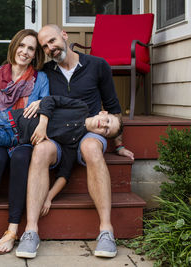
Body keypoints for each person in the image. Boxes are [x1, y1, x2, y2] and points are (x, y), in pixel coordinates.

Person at [15, 24, 134, 259]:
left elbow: (113, 109)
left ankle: (106, 230)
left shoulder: (97, 65)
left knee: (91, 147)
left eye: (52, 41)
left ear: (64, 35)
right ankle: (30, 231)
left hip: (88, 130)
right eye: (45, 46)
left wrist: (118, 144)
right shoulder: (45, 71)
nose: (50, 48)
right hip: (58, 133)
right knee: (40, 151)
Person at [0, 29, 49, 256]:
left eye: (31, 49)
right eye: (22, 46)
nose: (25, 52)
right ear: (14, 46)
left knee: (20, 158)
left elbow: (48, 104)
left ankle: (13, 230)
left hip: (24, 137)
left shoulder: (40, 78)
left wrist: (42, 110)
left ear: (35, 55)